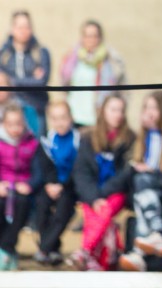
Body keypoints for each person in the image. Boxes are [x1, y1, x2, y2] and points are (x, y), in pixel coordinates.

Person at [108, 91, 162, 272]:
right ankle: (154, 236)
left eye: (154, 107)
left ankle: (142, 249)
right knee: (142, 184)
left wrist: (154, 172)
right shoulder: (143, 136)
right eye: (146, 107)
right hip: (149, 190)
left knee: (143, 182)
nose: (149, 112)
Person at [70, 93, 136, 271]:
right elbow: (81, 173)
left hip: (116, 193)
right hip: (92, 193)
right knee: (97, 212)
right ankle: (97, 260)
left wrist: (101, 195)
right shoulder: (87, 138)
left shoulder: (130, 139)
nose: (118, 114)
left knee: (103, 209)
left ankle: (85, 251)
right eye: (113, 110)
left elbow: (126, 174)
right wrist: (93, 197)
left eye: (121, 110)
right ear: (103, 111)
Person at [32, 100, 80, 265]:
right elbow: (46, 166)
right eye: (55, 118)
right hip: (51, 185)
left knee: (62, 211)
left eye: (63, 118)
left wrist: (62, 186)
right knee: (41, 206)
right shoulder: (47, 141)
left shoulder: (78, 140)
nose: (60, 122)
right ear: (50, 120)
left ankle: (44, 248)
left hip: (70, 187)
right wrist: (50, 184)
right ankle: (53, 249)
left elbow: (78, 169)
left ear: (71, 118)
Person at [60, 19, 126, 128]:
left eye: (94, 36)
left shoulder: (110, 61)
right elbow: (64, 84)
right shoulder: (72, 58)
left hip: (97, 118)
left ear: (100, 38)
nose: (91, 40)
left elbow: (120, 89)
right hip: (74, 117)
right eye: (87, 36)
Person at [0, 102, 39, 270]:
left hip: (22, 188)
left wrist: (29, 185)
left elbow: (38, 172)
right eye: (10, 124)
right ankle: (6, 249)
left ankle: (6, 248)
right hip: (4, 187)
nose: (15, 128)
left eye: (19, 124)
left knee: (23, 203)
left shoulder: (31, 143)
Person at [0, 11, 51, 134]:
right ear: (12, 29)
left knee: (37, 147)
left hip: (36, 107)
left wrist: (11, 81)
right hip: (10, 111)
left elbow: (41, 82)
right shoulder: (4, 54)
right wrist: (30, 79)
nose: (23, 30)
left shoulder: (41, 52)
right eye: (19, 27)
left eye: (27, 26)